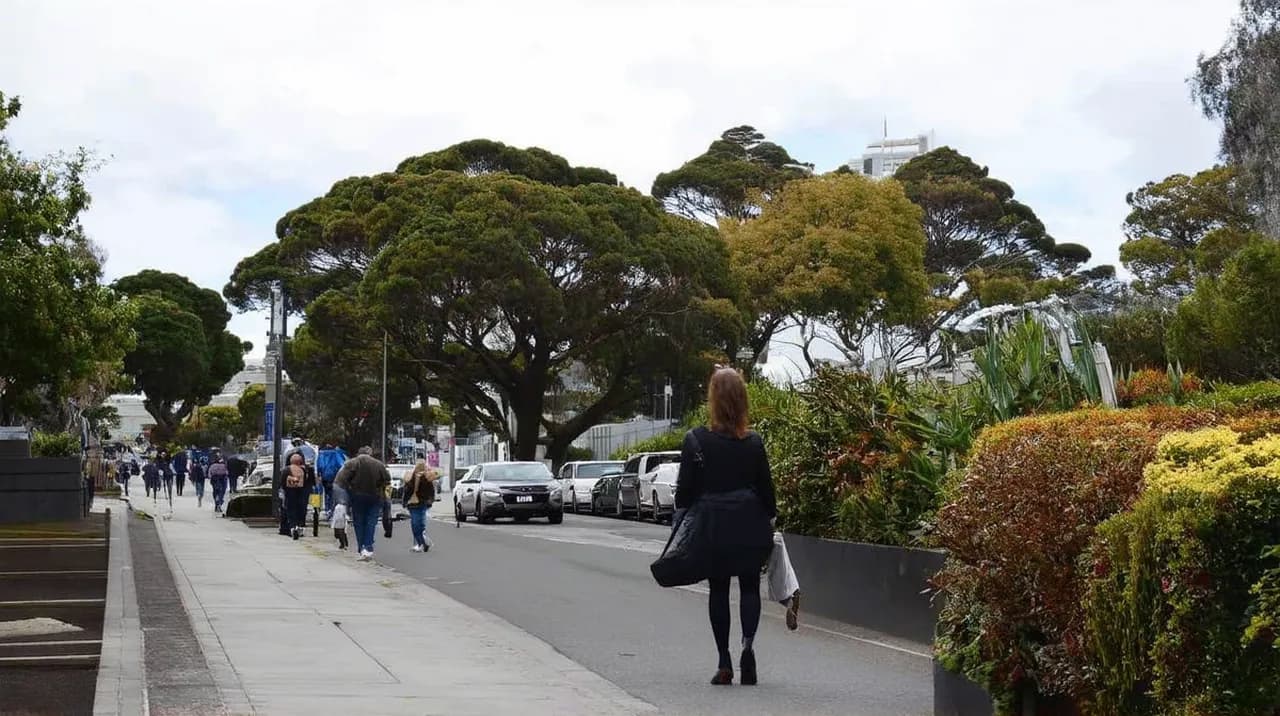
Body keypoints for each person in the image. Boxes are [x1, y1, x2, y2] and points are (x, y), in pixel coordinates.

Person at [674, 367, 776, 686]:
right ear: (743, 399)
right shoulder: (754, 442)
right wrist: (769, 519)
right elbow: (768, 493)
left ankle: (724, 661)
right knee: (748, 587)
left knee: (718, 589)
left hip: (714, 525)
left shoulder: (696, 440)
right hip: (749, 522)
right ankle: (748, 646)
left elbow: (683, 494)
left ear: (713, 400)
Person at [334, 446, 391, 561]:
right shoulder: (378, 464)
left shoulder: (351, 463)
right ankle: (368, 547)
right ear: (369, 454)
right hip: (375, 497)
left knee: (359, 522)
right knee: (371, 522)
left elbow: (341, 481)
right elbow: (387, 480)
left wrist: (348, 492)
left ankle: (361, 548)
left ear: (358, 453)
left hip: (357, 497)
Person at [402, 462, 437, 553]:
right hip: (419, 504)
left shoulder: (414, 478)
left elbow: (406, 491)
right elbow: (431, 492)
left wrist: (405, 501)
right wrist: (430, 501)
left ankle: (421, 543)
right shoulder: (426, 479)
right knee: (419, 524)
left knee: (416, 524)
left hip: (415, 504)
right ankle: (422, 543)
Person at [280, 452, 315, 540]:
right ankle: (299, 527)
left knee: (290, 510)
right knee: (301, 509)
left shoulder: (286, 469)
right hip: (301, 493)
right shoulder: (305, 470)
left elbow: (282, 483)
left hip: (289, 493)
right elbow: (309, 483)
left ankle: (292, 527)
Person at [316, 442, 347, 517]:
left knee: (326, 492)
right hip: (334, 476)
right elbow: (341, 464)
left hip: (324, 477)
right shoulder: (336, 453)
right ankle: (331, 510)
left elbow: (319, 465)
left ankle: (327, 509)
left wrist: (319, 473)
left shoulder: (321, 454)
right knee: (333, 493)